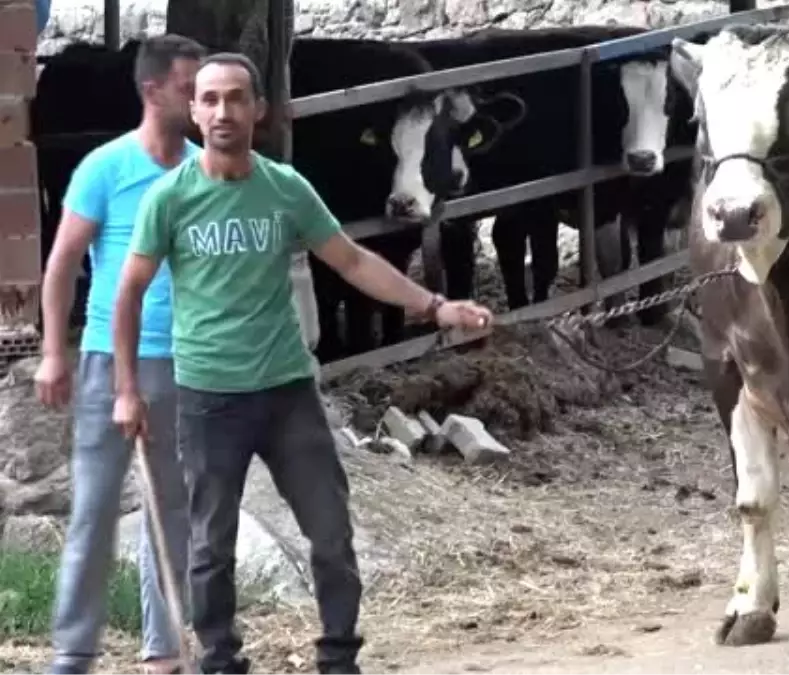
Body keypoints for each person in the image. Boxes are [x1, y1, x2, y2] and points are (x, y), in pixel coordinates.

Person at [109, 52, 494, 675]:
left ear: (259, 110)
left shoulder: (285, 188)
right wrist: (126, 389)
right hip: (209, 398)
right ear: (192, 110)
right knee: (210, 544)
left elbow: (350, 261)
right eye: (209, 99)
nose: (222, 111)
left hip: (289, 393)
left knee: (331, 534)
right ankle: (220, 659)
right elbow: (128, 292)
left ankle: (338, 656)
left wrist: (435, 304)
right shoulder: (169, 200)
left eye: (236, 98)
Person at [33, 34, 208, 675]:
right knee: (96, 510)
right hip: (111, 357)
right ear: (152, 91)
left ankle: (165, 651)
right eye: (189, 89)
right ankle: (72, 655)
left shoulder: (202, 169)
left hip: (185, 360)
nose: (200, 103)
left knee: (173, 508)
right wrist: (56, 352)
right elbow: (62, 266)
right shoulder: (106, 168)